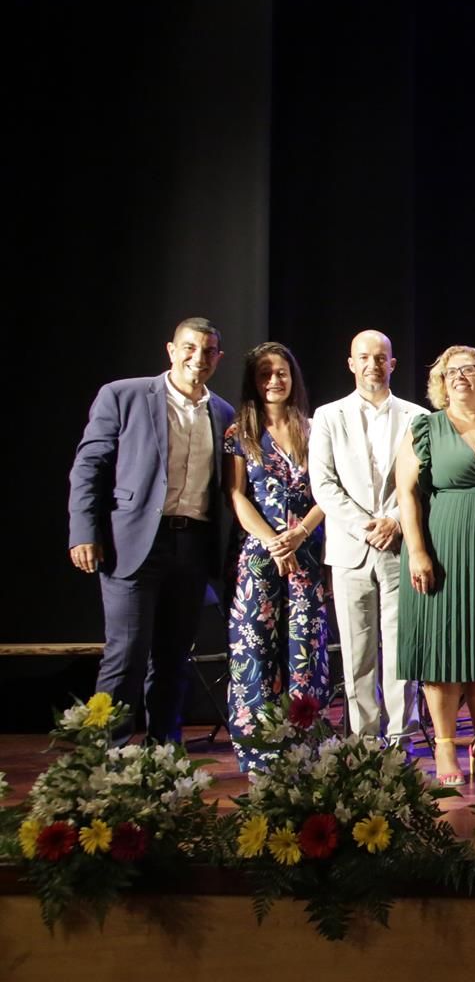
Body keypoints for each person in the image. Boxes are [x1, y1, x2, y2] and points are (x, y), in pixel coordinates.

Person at [68, 317, 234, 745]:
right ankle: (108, 757)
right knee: (126, 654)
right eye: (190, 348)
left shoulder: (223, 412)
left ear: (218, 357)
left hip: (193, 546)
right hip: (133, 542)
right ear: (171, 350)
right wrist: (84, 530)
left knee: (174, 659)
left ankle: (164, 754)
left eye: (208, 351)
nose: (198, 358)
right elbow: (90, 467)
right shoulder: (124, 395)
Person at [396, 345, 475, 786]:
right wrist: (417, 551)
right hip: (443, 550)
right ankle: (446, 746)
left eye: (470, 370)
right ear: (440, 381)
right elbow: (406, 493)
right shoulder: (425, 428)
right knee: (444, 653)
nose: (460, 377)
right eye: (451, 371)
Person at [308, 330, 428, 740]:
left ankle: (402, 739)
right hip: (351, 548)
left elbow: (423, 480)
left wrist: (394, 520)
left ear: (392, 364)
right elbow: (322, 484)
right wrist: (366, 526)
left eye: (381, 358)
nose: (373, 364)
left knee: (400, 649)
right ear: (351, 363)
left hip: (399, 543)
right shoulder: (328, 415)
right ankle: (363, 741)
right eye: (365, 357)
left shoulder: (417, 417)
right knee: (357, 652)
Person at [223, 342, 330, 765]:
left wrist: (299, 535)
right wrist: (273, 540)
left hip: (306, 551)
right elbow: (236, 494)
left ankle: (305, 747)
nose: (274, 381)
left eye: (281, 373)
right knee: (256, 647)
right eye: (265, 374)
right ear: (254, 380)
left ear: (293, 378)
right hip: (259, 553)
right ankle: (259, 750)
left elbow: (329, 492)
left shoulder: (315, 428)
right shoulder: (239, 432)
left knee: (306, 646)